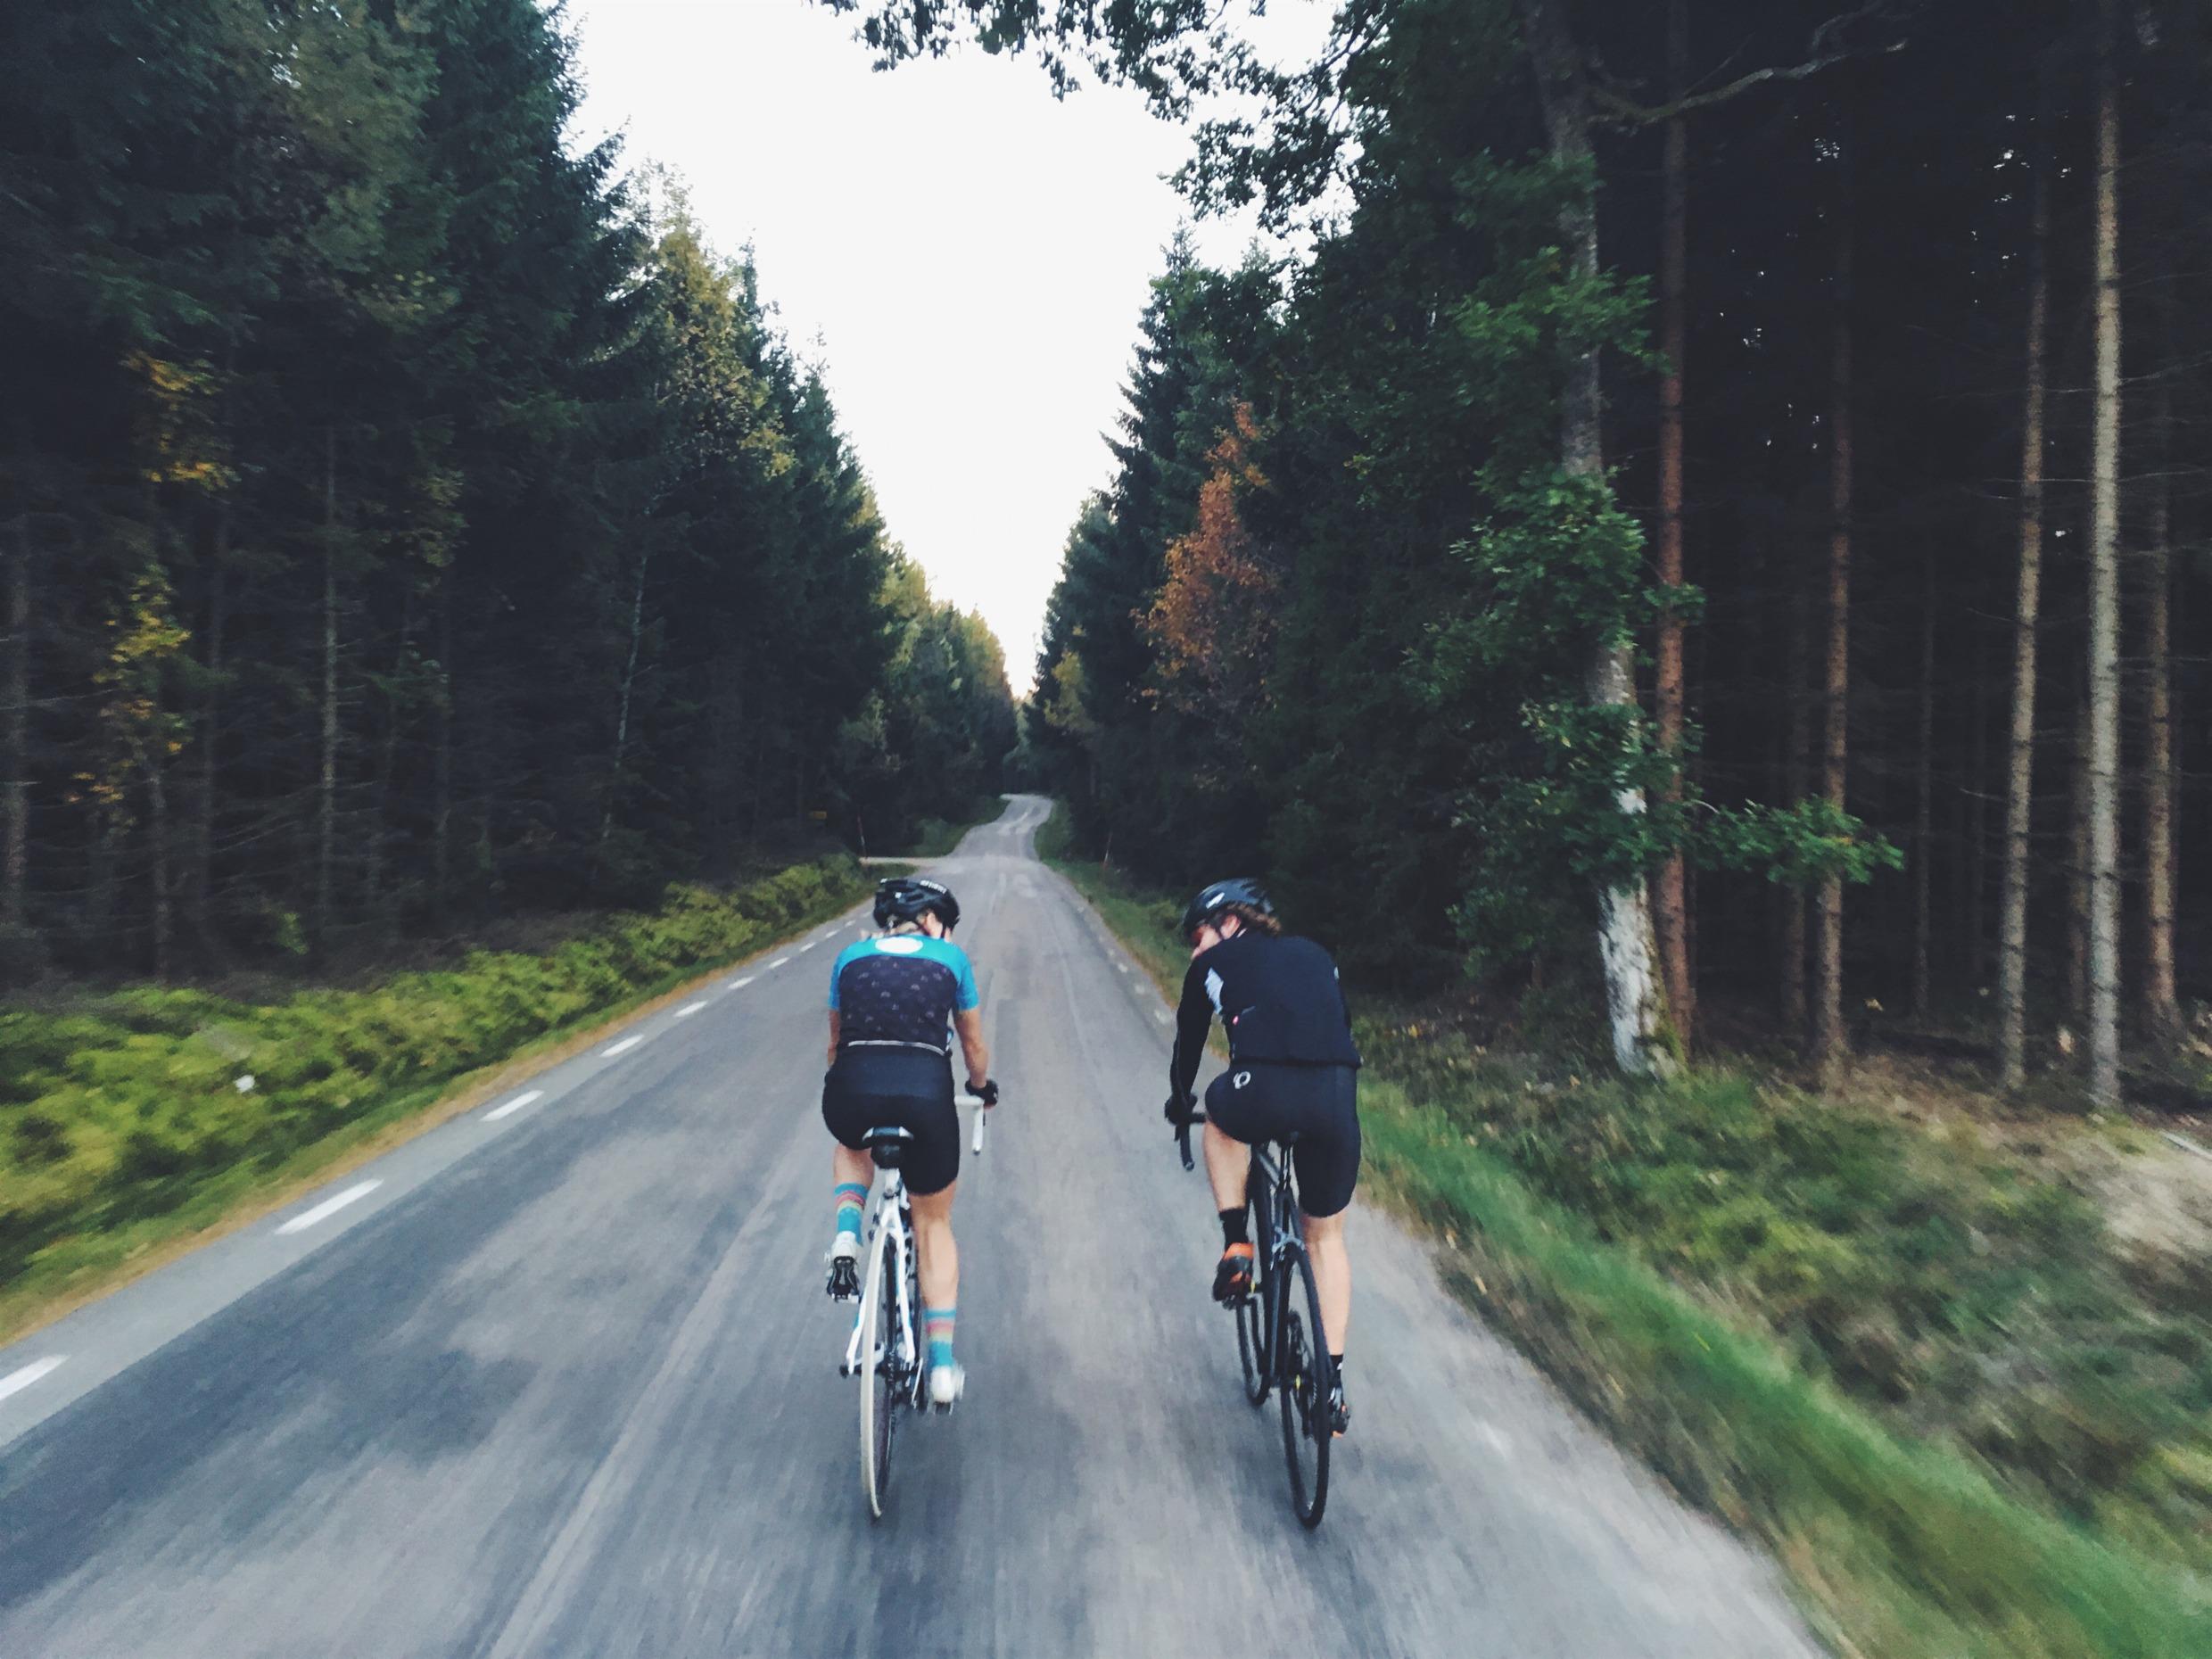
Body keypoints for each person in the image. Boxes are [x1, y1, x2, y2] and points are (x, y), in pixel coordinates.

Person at [1166, 878, 1359, 1433]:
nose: (1196, 950)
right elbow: (1338, 1027)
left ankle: (1237, 1244)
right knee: (1325, 1237)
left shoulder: (1211, 966)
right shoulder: (1317, 954)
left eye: (1199, 936)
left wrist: (1181, 1102)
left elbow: (1188, 1041)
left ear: (1232, 922)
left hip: (1261, 1088)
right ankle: (1331, 1384)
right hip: (1336, 1097)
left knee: (1220, 1121)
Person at [822, 875, 995, 1407]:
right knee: (934, 1220)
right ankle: (941, 1364)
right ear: (931, 920)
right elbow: (972, 1044)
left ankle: (848, 1230)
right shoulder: (950, 959)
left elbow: (835, 1040)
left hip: (853, 1086)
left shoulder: (850, 957)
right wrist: (980, 1089)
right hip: (925, 1094)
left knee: (852, 1143)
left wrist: (849, 1084)